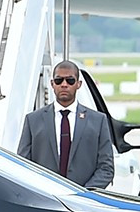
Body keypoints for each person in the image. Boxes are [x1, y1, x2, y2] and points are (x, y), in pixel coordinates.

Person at [17, 60, 115, 190]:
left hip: (83, 202)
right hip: (45, 200)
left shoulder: (98, 121)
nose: (64, 85)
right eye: (59, 80)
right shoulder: (33, 120)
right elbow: (23, 165)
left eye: (70, 80)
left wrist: (84, 194)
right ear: (52, 84)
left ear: (78, 84)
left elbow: (106, 167)